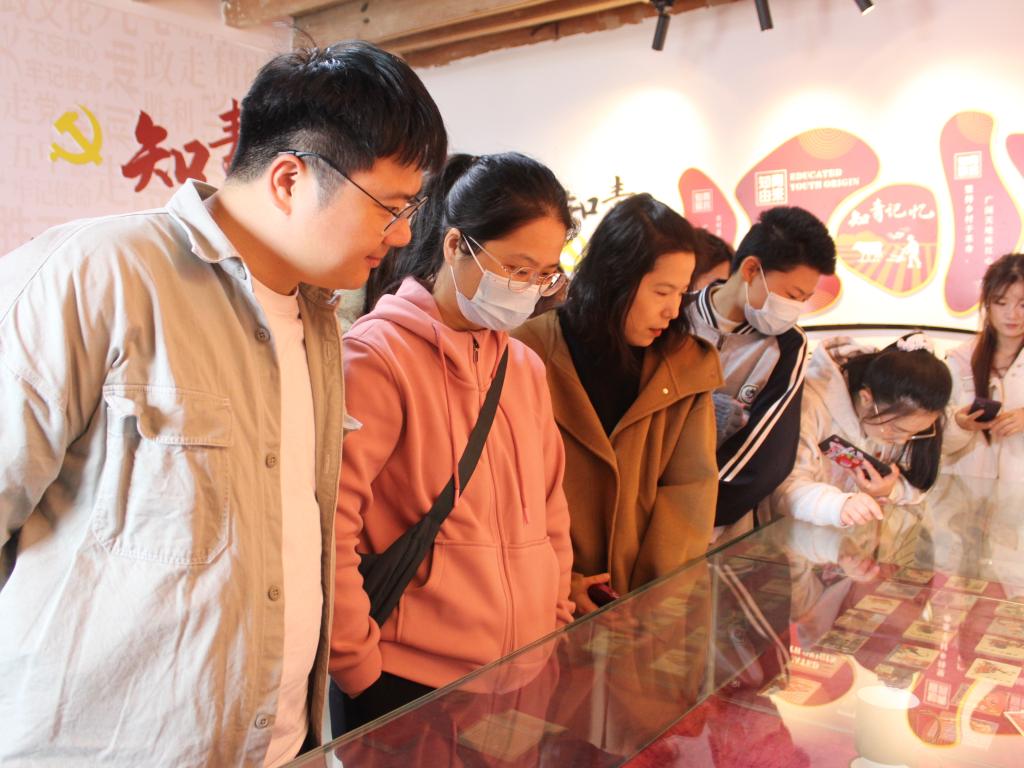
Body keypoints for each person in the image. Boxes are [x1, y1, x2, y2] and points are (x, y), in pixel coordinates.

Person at [0, 43, 446, 767]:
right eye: (391, 208)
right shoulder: (97, 277)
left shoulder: (320, 323)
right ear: (290, 180)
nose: (400, 235)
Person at [330, 152, 575, 727]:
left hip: (524, 670)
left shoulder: (523, 366)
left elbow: (552, 510)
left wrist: (556, 617)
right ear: (455, 245)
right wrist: (358, 666)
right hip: (410, 682)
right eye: (516, 268)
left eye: (544, 274)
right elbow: (331, 527)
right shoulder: (376, 357)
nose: (529, 289)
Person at [513, 194, 722, 612]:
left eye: (682, 293)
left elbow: (690, 493)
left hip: (651, 611)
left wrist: (649, 601)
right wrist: (561, 580)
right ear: (615, 277)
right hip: (546, 602)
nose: (672, 310)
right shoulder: (526, 352)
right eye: (661, 291)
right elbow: (509, 492)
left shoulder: (686, 366)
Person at [684, 206, 837, 544]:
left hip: (719, 525)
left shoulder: (788, 345)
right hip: (642, 505)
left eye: (805, 299)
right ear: (752, 269)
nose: (795, 309)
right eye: (792, 296)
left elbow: (766, 456)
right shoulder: (677, 315)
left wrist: (690, 510)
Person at [770, 333, 951, 527]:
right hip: (793, 533)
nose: (901, 441)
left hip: (854, 539)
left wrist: (889, 490)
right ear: (866, 399)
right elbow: (783, 488)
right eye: (897, 429)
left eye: (915, 432)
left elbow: (919, 479)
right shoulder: (809, 405)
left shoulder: (904, 413)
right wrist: (839, 505)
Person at [943, 253, 1024, 478]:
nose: (1012, 314)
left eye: (1023, 304)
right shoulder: (960, 359)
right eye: (1001, 303)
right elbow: (935, 440)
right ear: (987, 303)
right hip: (966, 489)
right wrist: (960, 424)